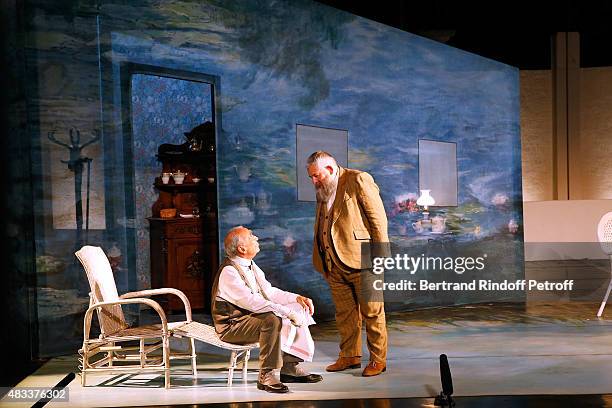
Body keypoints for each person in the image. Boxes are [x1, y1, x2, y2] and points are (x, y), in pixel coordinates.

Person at [211, 226, 323, 393]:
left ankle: (289, 366)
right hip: (232, 326)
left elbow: (268, 292)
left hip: (250, 318)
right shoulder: (229, 272)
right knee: (271, 319)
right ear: (242, 249)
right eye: (251, 237)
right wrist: (287, 313)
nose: (256, 238)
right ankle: (267, 375)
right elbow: (253, 302)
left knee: (298, 307)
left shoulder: (250, 265)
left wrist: (296, 299)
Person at [307, 150, 389, 377]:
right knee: (344, 314)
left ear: (330, 169)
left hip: (364, 260)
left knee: (372, 312)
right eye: (311, 177)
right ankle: (350, 356)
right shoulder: (324, 188)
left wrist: (380, 257)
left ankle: (378, 360)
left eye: (317, 175)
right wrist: (323, 258)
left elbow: (378, 219)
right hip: (333, 263)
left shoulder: (358, 179)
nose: (314, 181)